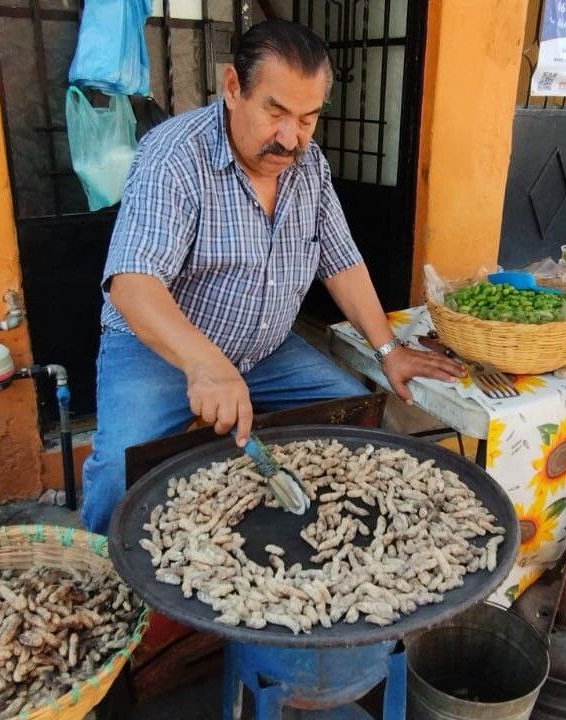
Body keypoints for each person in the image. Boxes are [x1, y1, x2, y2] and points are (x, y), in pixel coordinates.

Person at [80, 19, 464, 533]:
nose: (290, 138)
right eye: (276, 111)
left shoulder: (310, 167)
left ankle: (318, 530)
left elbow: (340, 258)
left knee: (350, 415)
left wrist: (389, 350)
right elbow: (133, 284)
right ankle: (110, 581)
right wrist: (205, 365)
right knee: (116, 474)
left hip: (264, 351)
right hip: (161, 352)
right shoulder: (174, 157)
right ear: (233, 87)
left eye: (307, 118)